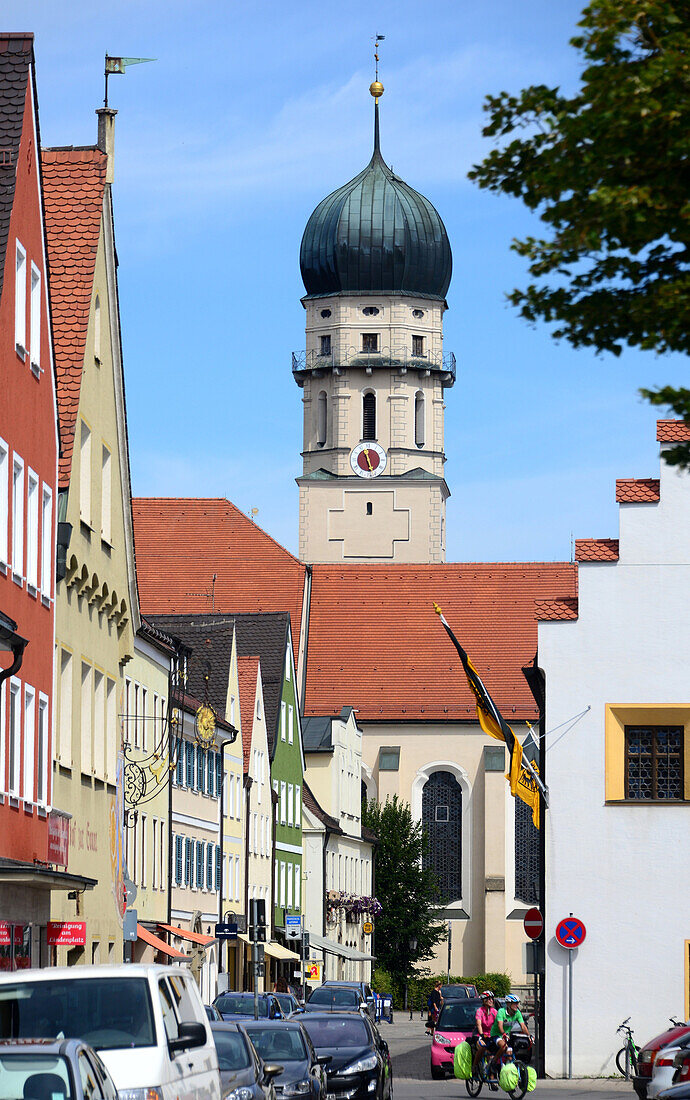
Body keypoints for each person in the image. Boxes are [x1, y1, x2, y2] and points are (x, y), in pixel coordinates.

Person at [490, 994, 532, 1074]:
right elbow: (500, 1025)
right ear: (508, 1004)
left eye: (517, 1003)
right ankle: (493, 1062)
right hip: (496, 1034)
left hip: (506, 1035)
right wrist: (503, 1033)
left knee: (510, 1052)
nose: (517, 1005)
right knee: (503, 1046)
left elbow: (523, 1026)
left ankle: (506, 1071)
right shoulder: (501, 1012)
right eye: (515, 1003)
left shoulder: (517, 1013)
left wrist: (529, 1036)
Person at [473, 991, 498, 1075]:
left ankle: (492, 1077)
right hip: (479, 1034)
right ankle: (475, 1066)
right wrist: (482, 1035)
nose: (491, 1000)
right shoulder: (480, 1011)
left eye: (492, 999)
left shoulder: (494, 1011)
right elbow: (479, 1024)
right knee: (482, 1046)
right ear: (484, 1000)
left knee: (492, 1055)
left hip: (490, 1035)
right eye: (489, 999)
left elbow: (499, 1023)